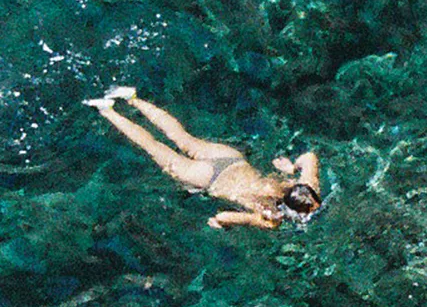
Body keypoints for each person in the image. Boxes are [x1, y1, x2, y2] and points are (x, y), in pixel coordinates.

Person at [86, 87, 324, 230]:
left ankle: (132, 97)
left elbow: (310, 157)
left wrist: (292, 167)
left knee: (182, 137)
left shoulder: (306, 186)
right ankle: (107, 110)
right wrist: (221, 224)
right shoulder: (271, 219)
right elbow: (223, 216)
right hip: (210, 180)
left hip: (231, 160)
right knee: (152, 146)